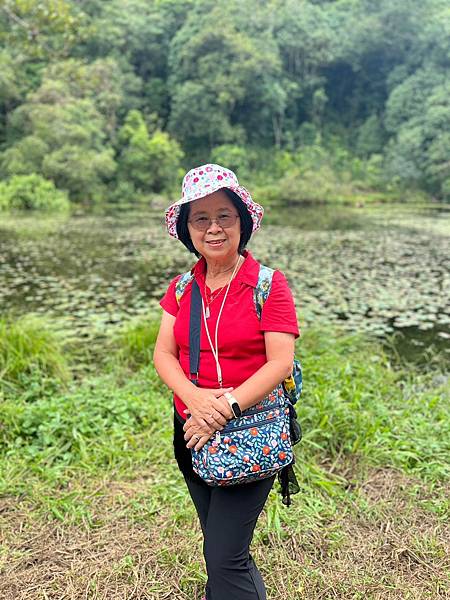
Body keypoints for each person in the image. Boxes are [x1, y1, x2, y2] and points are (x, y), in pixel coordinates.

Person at [153, 163, 300, 600]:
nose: (213, 228)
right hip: (191, 433)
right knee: (222, 546)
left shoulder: (268, 285)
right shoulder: (181, 289)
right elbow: (164, 353)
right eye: (201, 218)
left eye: (224, 216)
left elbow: (280, 363)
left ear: (242, 223)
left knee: (224, 556)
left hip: (249, 431)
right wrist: (195, 400)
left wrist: (221, 409)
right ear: (187, 229)